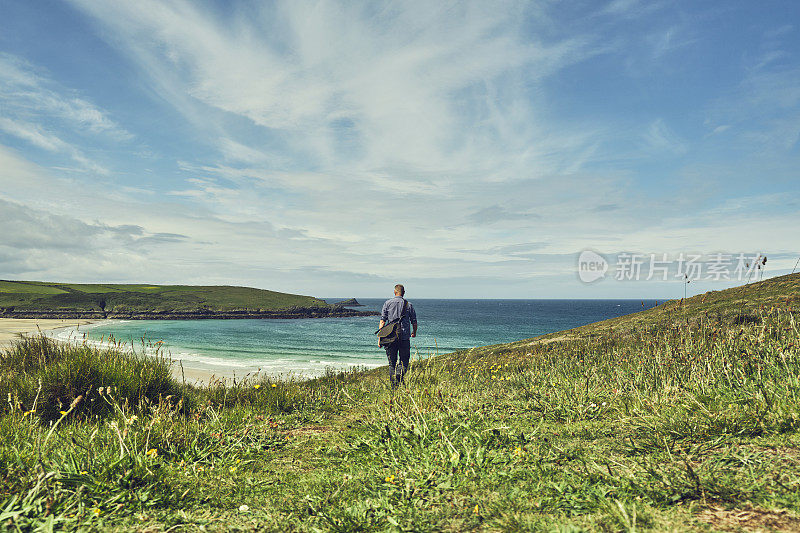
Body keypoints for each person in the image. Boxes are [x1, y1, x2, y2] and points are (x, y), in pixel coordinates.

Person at [378, 284, 418, 388]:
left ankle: (393, 387)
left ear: (394, 292)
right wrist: (414, 332)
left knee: (392, 363)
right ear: (403, 293)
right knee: (404, 360)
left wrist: (380, 338)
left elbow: (382, 322)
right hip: (404, 337)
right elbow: (414, 321)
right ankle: (399, 377)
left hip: (390, 337)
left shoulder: (387, 303)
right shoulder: (409, 305)